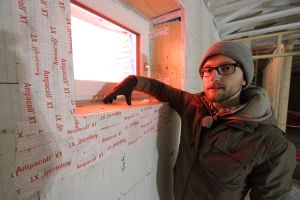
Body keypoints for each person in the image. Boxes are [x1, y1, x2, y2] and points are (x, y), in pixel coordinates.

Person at [103, 41, 296, 200]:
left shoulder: (270, 143)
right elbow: (163, 90)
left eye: (226, 68)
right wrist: (134, 81)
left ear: (245, 78)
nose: (214, 77)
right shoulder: (194, 106)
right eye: (207, 70)